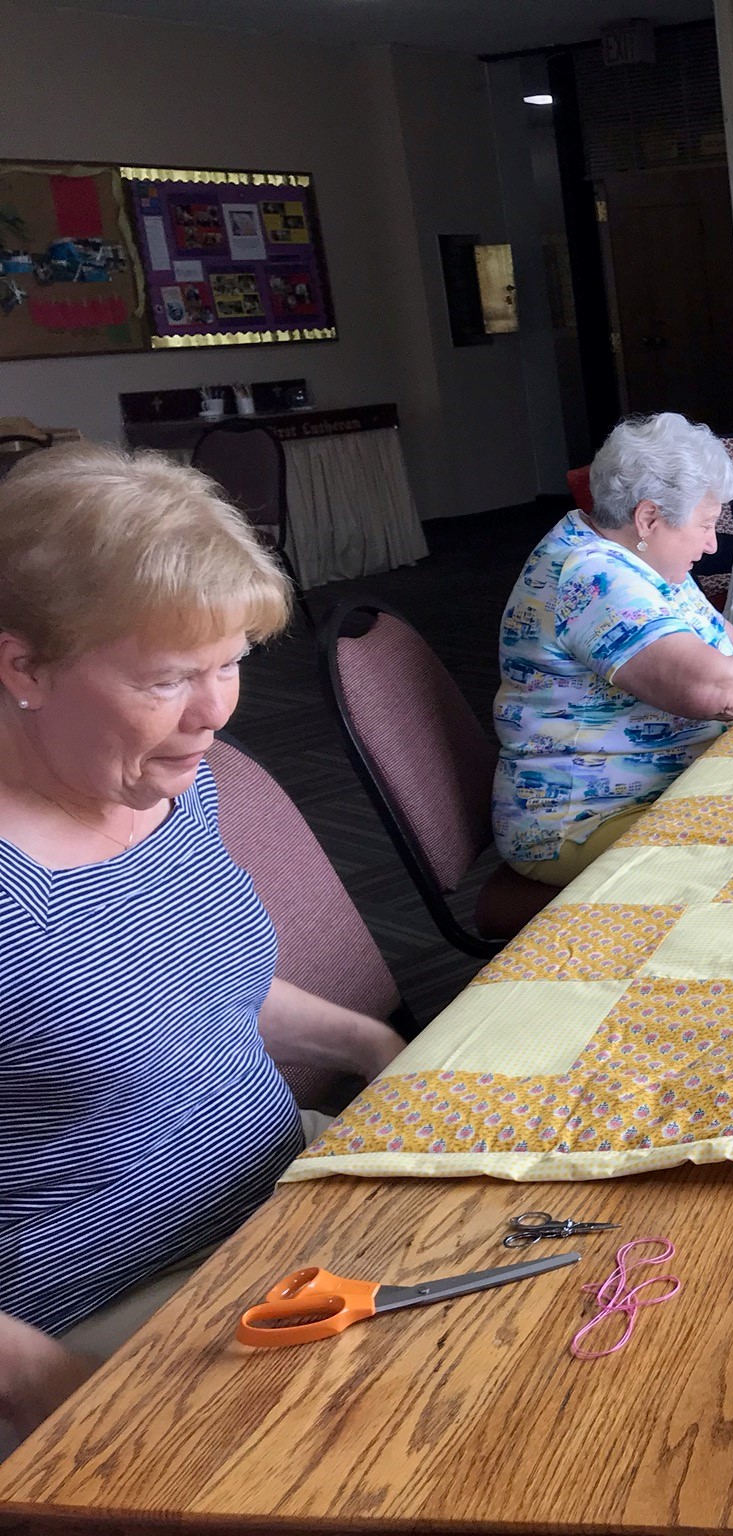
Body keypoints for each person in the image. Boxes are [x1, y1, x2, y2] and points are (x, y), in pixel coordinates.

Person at [0, 445, 405, 1451]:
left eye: (231, 662)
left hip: (285, 1199)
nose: (214, 712)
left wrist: (376, 1049)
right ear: (22, 666)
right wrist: (52, 1386)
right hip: (107, 1308)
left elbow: (195, 984)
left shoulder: (169, 782)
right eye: (169, 678)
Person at [493, 413, 733, 883]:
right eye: (704, 525)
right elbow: (716, 689)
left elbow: (730, 642)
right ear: (649, 517)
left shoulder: (636, 556)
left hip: (667, 786)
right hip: (586, 819)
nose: (710, 542)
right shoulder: (594, 576)